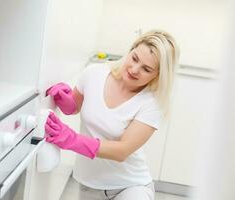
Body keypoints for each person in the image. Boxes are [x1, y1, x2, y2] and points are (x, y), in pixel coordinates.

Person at [45, 30, 179, 200]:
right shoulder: (94, 73)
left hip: (130, 187)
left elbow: (122, 151)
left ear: (157, 75)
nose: (134, 69)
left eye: (146, 69)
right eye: (135, 58)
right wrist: (63, 99)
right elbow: (74, 107)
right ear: (130, 50)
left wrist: (72, 140)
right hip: (88, 184)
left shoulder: (151, 103)